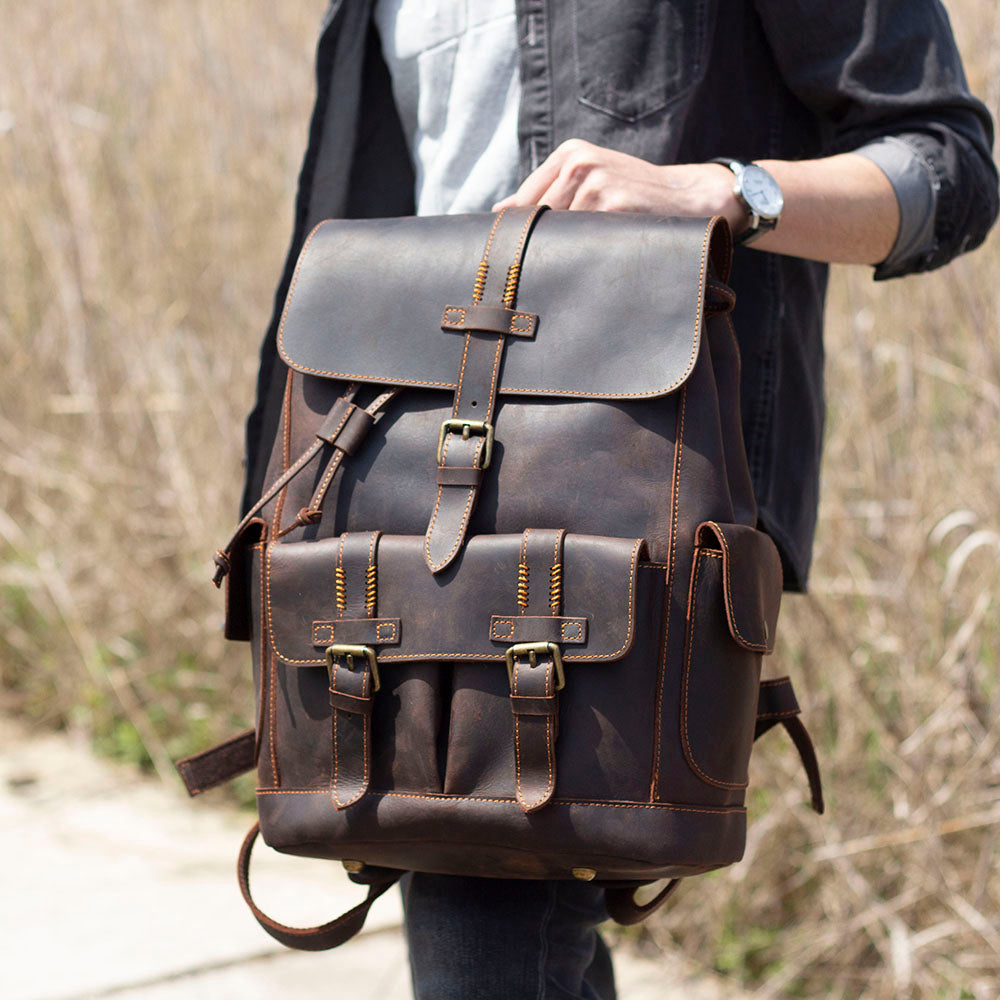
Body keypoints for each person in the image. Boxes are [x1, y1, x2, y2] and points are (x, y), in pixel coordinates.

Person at [240, 2, 998, 997]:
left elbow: (949, 170)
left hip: (626, 512)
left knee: (484, 916)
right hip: (385, 511)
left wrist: (724, 191)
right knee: (492, 918)